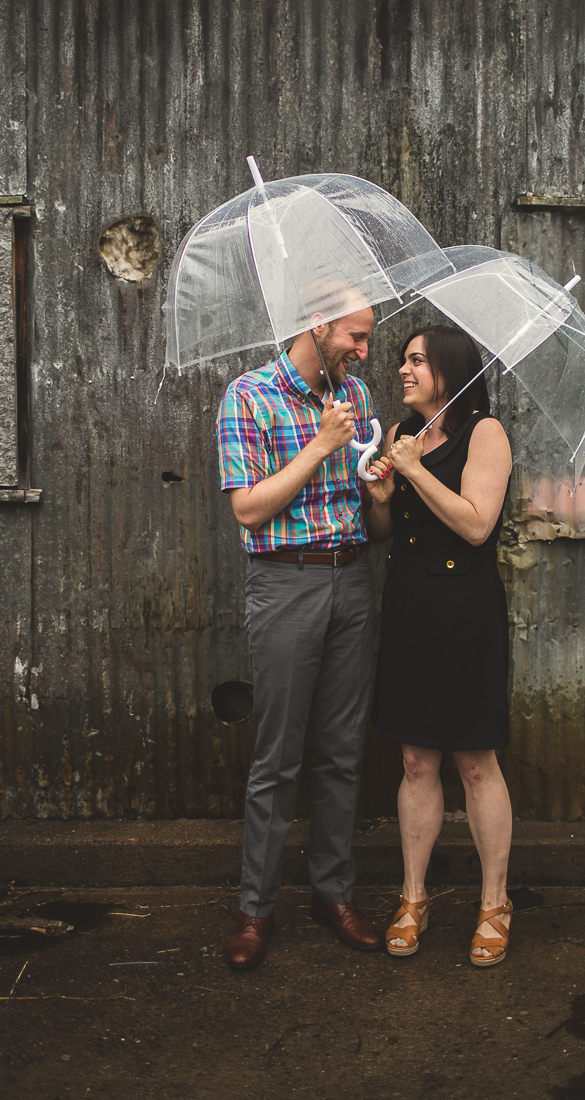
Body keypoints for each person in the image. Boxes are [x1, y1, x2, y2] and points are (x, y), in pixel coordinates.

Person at [216, 299, 383, 970]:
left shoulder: (358, 395)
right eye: (357, 336)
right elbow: (249, 509)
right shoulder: (249, 396)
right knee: (277, 758)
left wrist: (379, 488)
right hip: (286, 582)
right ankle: (255, 910)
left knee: (343, 752)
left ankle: (333, 894)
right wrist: (320, 445)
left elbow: (376, 516)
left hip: (353, 578)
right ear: (318, 325)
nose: (365, 351)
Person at [364, 325, 514, 966]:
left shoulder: (485, 432)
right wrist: (379, 499)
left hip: (465, 611)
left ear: (449, 370)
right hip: (410, 608)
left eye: (417, 360)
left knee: (475, 762)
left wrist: (415, 472)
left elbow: (478, 525)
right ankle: (414, 896)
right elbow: (386, 532)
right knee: (416, 762)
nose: (403, 369)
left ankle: (494, 903)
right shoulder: (403, 435)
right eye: (403, 359)